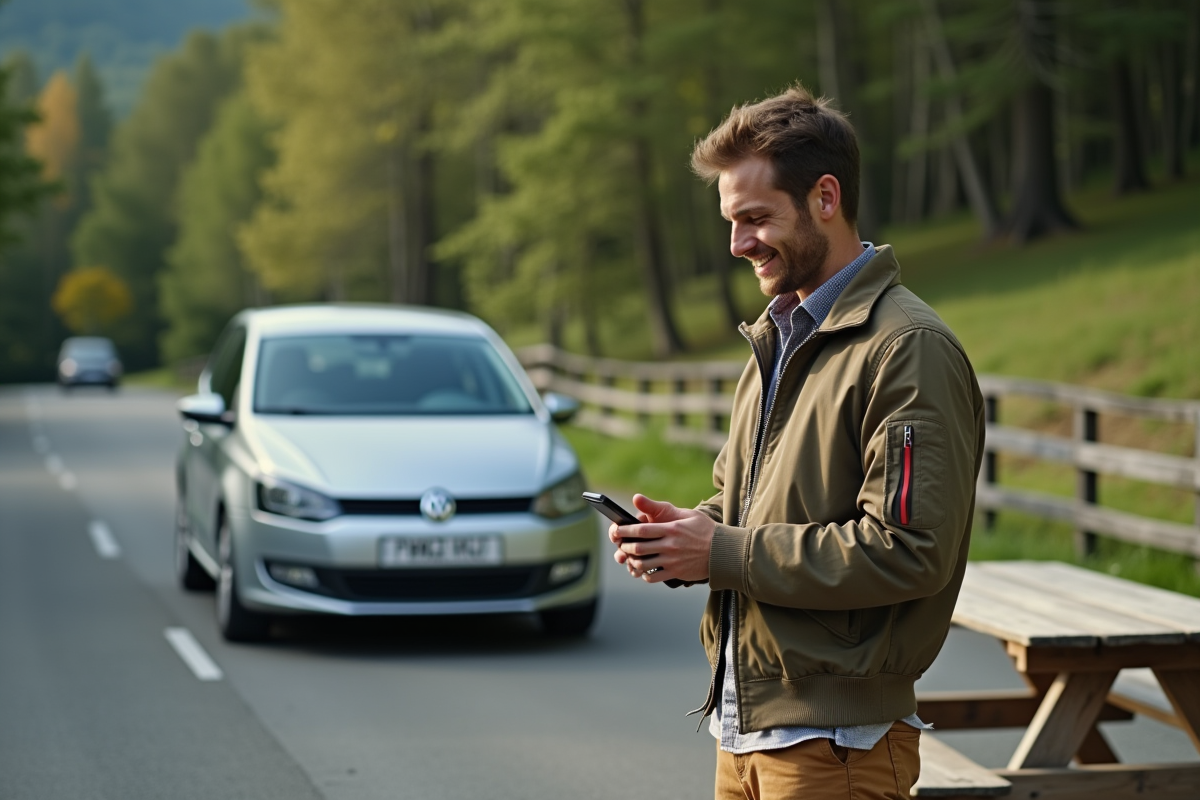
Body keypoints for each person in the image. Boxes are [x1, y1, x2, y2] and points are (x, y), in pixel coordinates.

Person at [609, 84, 986, 800]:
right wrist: (689, 537)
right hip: (743, 728)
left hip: (837, 746)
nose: (737, 243)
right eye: (730, 221)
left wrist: (722, 552)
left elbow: (911, 550)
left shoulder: (908, 349)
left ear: (825, 198)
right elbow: (747, 507)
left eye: (755, 218)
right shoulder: (779, 338)